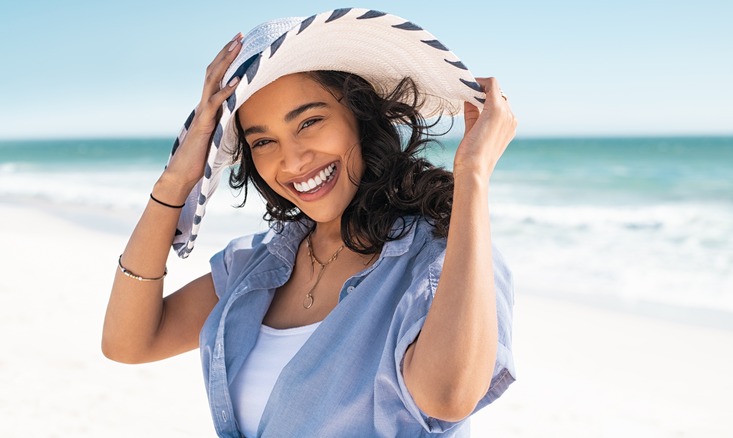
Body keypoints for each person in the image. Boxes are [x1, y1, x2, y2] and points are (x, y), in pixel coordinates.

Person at [102, 8, 517, 437]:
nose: (293, 160)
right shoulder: (253, 267)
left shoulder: (444, 262)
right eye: (263, 141)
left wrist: (472, 175)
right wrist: (176, 181)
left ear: (360, 115)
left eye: (310, 121)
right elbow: (128, 342)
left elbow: (448, 396)